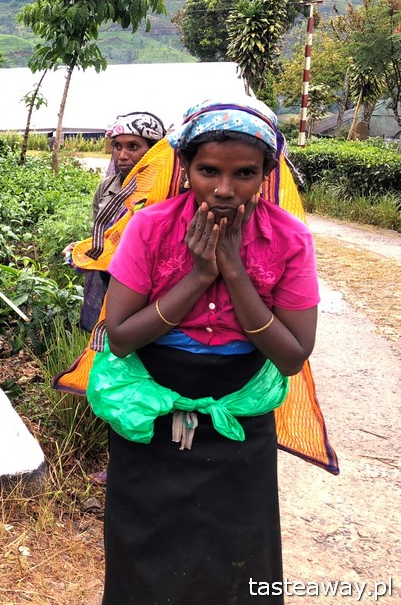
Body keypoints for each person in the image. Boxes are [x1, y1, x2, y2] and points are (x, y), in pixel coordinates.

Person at [89, 97, 320, 604]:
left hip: (238, 425)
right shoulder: (150, 228)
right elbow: (123, 336)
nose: (223, 189)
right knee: (143, 551)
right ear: (185, 167)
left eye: (245, 173)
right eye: (208, 170)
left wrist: (234, 273)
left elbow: (292, 356)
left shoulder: (288, 240)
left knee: (238, 555)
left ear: (266, 174)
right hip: (151, 416)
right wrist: (198, 277)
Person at [66, 111, 167, 331]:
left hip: (147, 288)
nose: (122, 155)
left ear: (154, 151)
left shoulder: (165, 191)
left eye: (133, 146)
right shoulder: (107, 187)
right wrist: (83, 247)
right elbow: (104, 236)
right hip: (107, 280)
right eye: (117, 146)